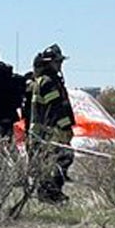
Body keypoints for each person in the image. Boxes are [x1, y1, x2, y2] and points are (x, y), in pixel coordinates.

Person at [25, 45, 75, 202]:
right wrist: (65, 128)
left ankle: (48, 193)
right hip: (49, 131)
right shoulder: (48, 82)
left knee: (49, 162)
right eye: (57, 61)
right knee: (61, 159)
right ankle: (50, 193)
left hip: (46, 131)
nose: (60, 64)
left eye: (60, 61)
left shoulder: (48, 81)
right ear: (48, 63)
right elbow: (56, 108)